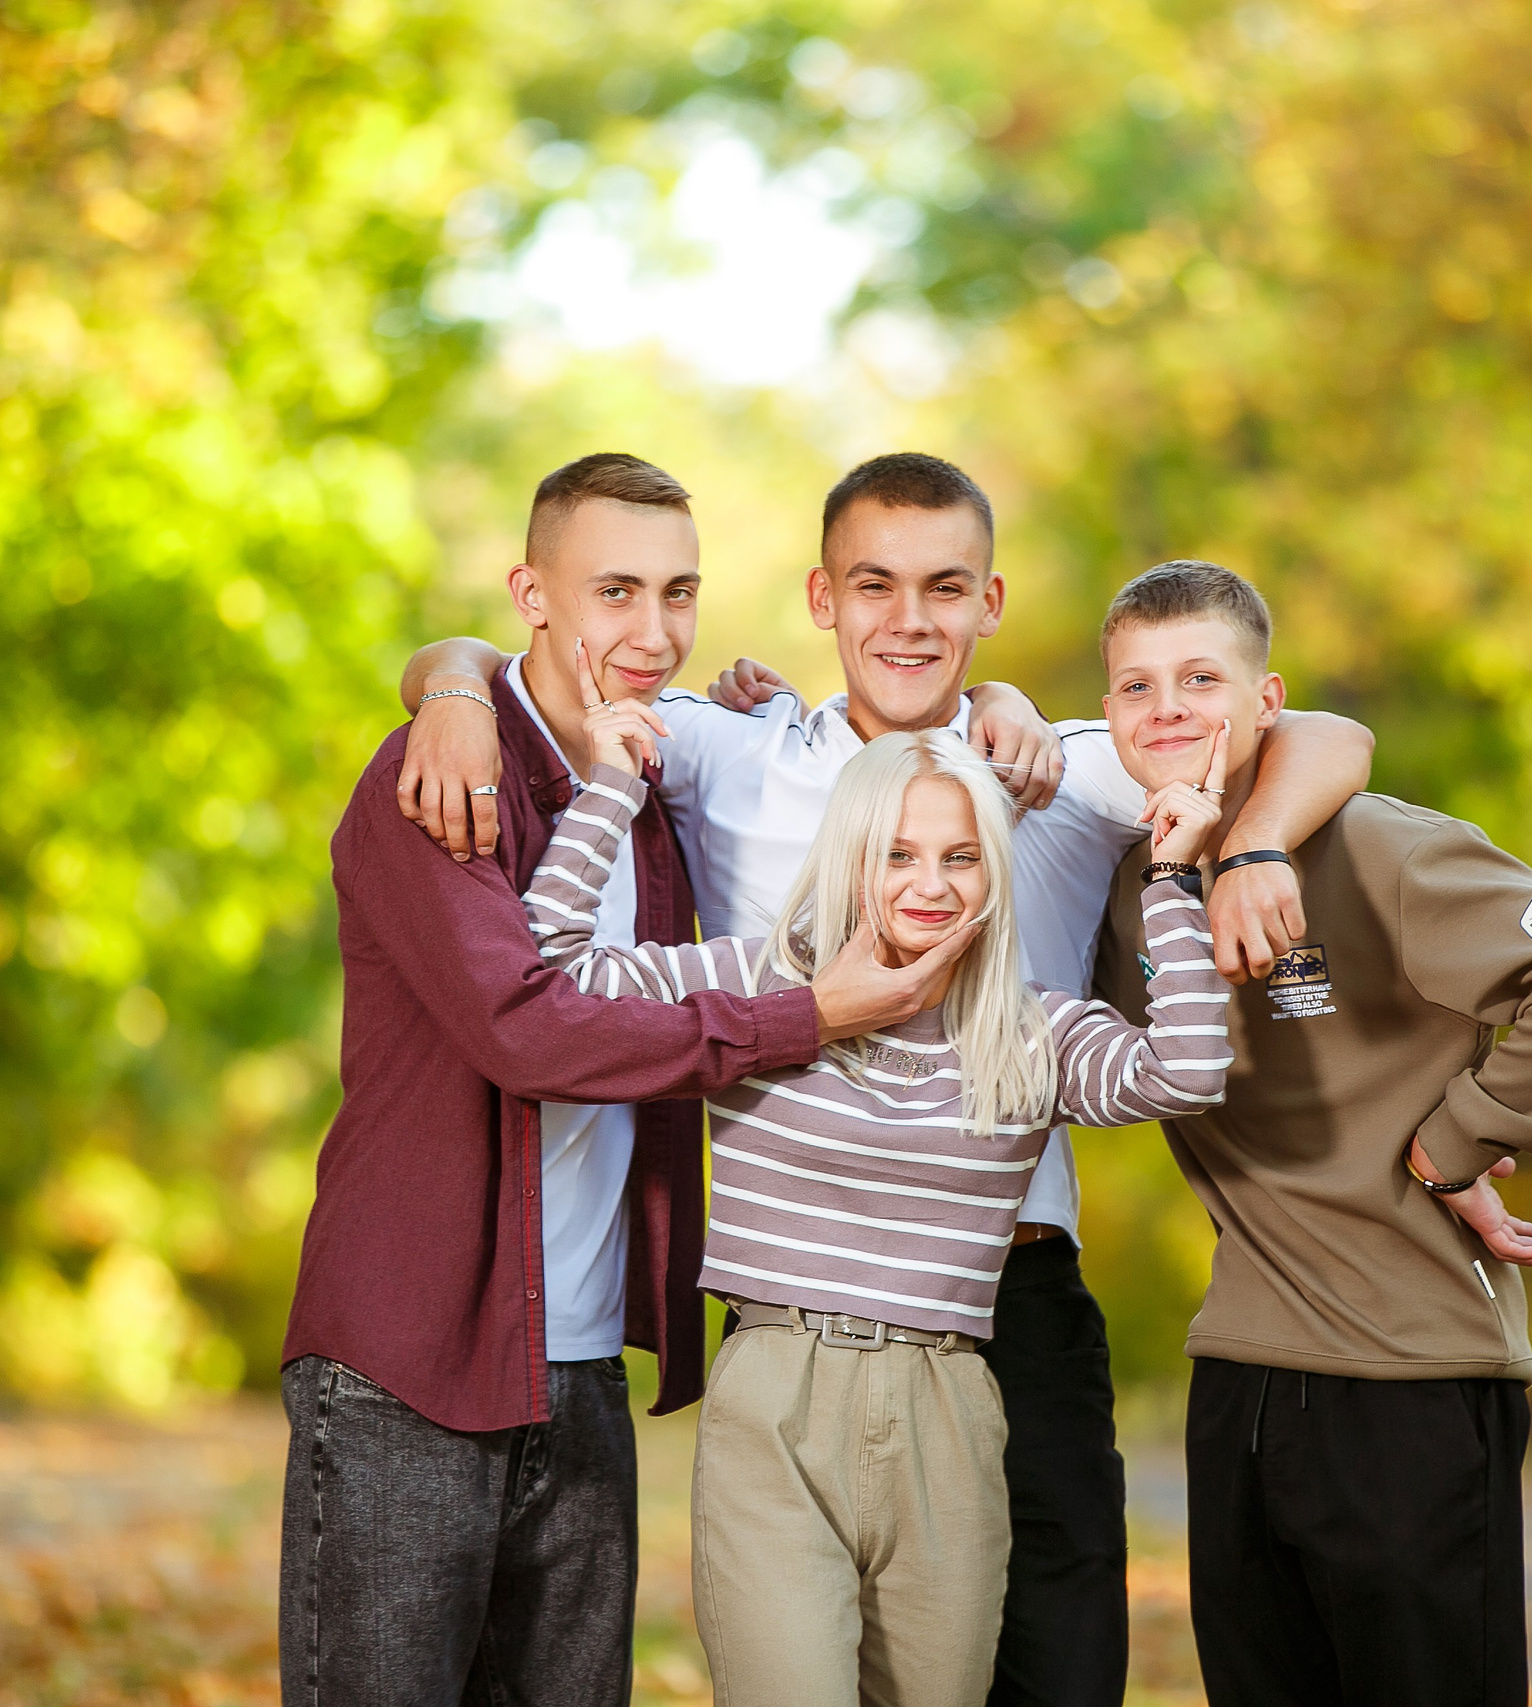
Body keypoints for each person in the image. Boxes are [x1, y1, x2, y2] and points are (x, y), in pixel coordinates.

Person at [397, 454, 1377, 1707]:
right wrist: (453, 690)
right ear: (822, 598)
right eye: (875, 586)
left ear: (990, 603)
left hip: (1000, 1287)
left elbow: (1320, 733)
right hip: (792, 1288)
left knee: (1051, 1662)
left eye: (944, 589)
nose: (908, 620)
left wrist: (1243, 851)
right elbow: (531, 664)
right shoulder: (730, 750)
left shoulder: (1058, 767)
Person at [277, 453, 959, 1707]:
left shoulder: (650, 782)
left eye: (680, 594)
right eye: (615, 594)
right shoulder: (437, 783)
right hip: (410, 1356)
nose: (653, 634)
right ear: (531, 595)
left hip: (581, 1362)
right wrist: (806, 1016)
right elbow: (529, 1029)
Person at [518, 662, 1235, 1705]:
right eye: (896, 854)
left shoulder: (1028, 1033)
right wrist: (609, 786)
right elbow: (552, 969)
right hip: (776, 1396)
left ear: (991, 873)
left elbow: (1187, 1071)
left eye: (958, 858)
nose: (928, 885)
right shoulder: (761, 986)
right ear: (850, 857)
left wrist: (1174, 879)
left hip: (946, 1404)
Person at [1091, 561, 1532, 1707]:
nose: (1165, 710)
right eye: (1133, 686)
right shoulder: (1130, 887)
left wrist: (1457, 1140)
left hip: (1410, 1377)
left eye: (1201, 677)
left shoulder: (1382, 849)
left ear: (1268, 701)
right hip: (1240, 1380)